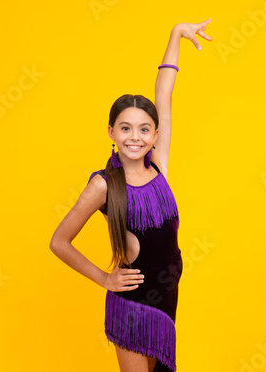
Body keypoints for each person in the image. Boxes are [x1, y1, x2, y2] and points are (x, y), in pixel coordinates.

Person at [49, 18, 212, 372]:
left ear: (155, 134)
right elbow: (59, 241)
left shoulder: (159, 167)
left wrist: (176, 35)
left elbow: (163, 93)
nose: (134, 137)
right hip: (134, 307)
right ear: (112, 132)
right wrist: (104, 278)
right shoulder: (104, 185)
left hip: (167, 298)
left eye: (143, 129)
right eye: (125, 128)